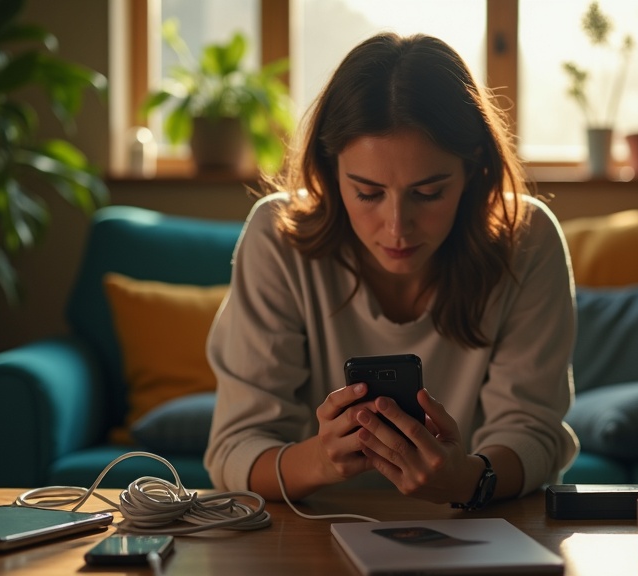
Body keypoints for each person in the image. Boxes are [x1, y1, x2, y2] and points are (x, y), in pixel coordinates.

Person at [204, 32, 578, 509]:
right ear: (329, 170)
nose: (397, 227)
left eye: (428, 193)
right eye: (367, 192)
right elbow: (235, 450)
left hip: (474, 531)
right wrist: (321, 461)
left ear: (472, 170)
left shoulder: (526, 240)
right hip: (314, 535)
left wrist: (468, 479)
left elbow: (533, 433)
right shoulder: (277, 239)